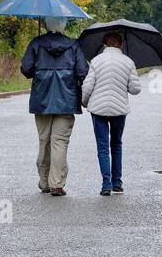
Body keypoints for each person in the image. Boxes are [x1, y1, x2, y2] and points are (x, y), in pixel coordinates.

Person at [20, 16, 89, 196]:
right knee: (59, 142)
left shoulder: (36, 43)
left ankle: (44, 181)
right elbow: (83, 71)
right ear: (63, 25)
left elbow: (26, 69)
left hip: (41, 100)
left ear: (46, 25)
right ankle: (56, 184)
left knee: (44, 140)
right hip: (66, 100)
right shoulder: (73, 45)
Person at [80, 31, 141, 196]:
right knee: (116, 144)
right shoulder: (128, 62)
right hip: (119, 110)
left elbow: (87, 86)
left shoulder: (96, 61)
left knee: (102, 147)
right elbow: (135, 89)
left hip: (98, 109)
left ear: (104, 44)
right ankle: (117, 183)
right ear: (121, 44)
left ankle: (106, 185)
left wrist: (85, 102)